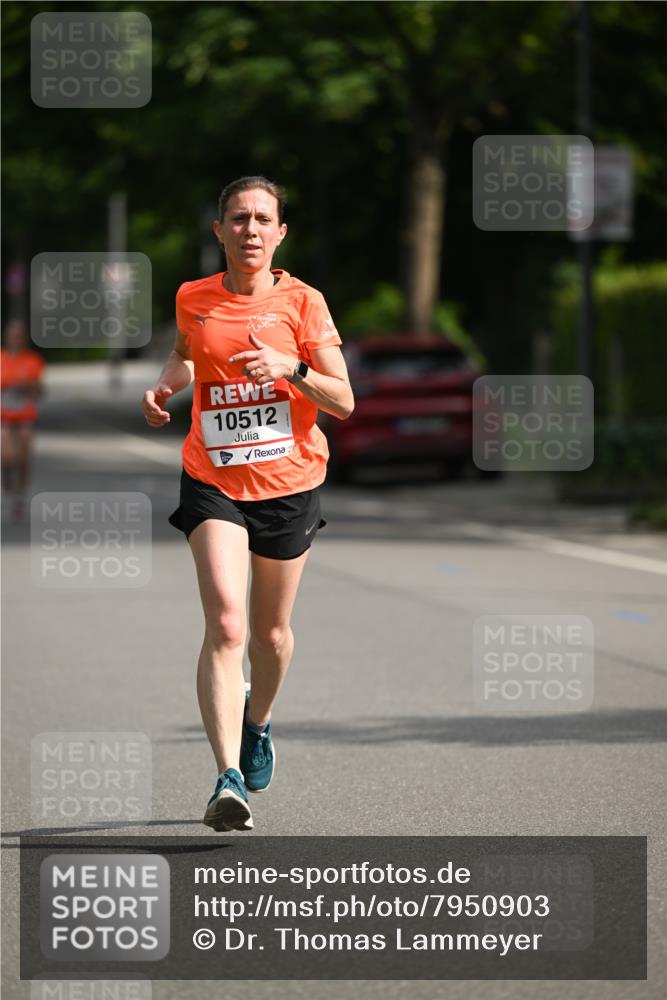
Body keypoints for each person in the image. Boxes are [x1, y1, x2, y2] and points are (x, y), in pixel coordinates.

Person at [142, 176, 354, 832]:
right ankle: (227, 777)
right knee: (228, 625)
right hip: (213, 478)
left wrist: (291, 368)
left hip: (289, 484)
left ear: (280, 233)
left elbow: (344, 400)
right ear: (220, 230)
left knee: (270, 635)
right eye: (239, 218)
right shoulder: (193, 297)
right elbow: (186, 354)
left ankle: (257, 722)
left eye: (263, 219)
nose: (251, 229)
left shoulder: (304, 303)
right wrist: (165, 386)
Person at [1, 319, 45, 521]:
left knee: (23, 458)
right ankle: (7, 483)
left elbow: (40, 390)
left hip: (25, 416)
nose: (16, 340)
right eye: (13, 336)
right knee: (7, 457)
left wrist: (27, 386)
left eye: (19, 336)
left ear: (24, 339)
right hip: (4, 416)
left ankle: (20, 496)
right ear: (7, 338)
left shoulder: (33, 361)